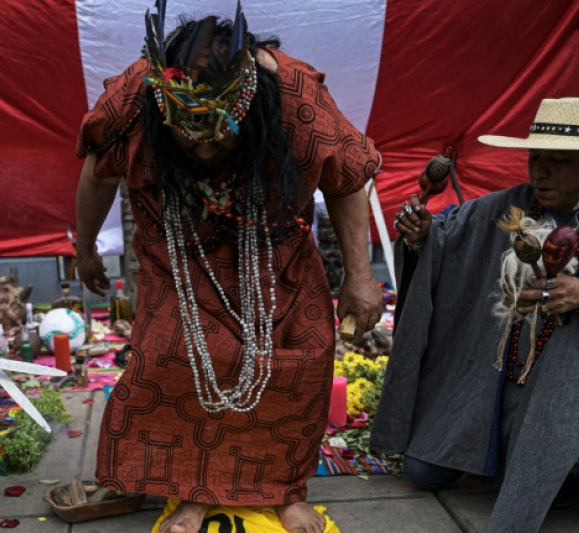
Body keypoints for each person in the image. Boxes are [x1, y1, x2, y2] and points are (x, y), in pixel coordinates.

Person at [74, 3, 382, 533]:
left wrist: (360, 276)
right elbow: (98, 172)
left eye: (219, 133)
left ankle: (285, 490)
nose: (203, 145)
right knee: (174, 358)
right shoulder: (132, 100)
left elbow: (347, 179)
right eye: (188, 133)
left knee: (300, 357)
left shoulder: (296, 99)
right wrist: (85, 247)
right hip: (176, 249)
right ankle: (189, 490)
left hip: (276, 256)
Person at [371, 97, 579, 532]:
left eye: (557, 162)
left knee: (571, 348)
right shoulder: (509, 205)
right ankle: (521, 461)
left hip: (568, 392)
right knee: (424, 472)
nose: (540, 172)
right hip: (488, 382)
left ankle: (567, 460)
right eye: (535, 158)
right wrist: (423, 236)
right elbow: (447, 240)